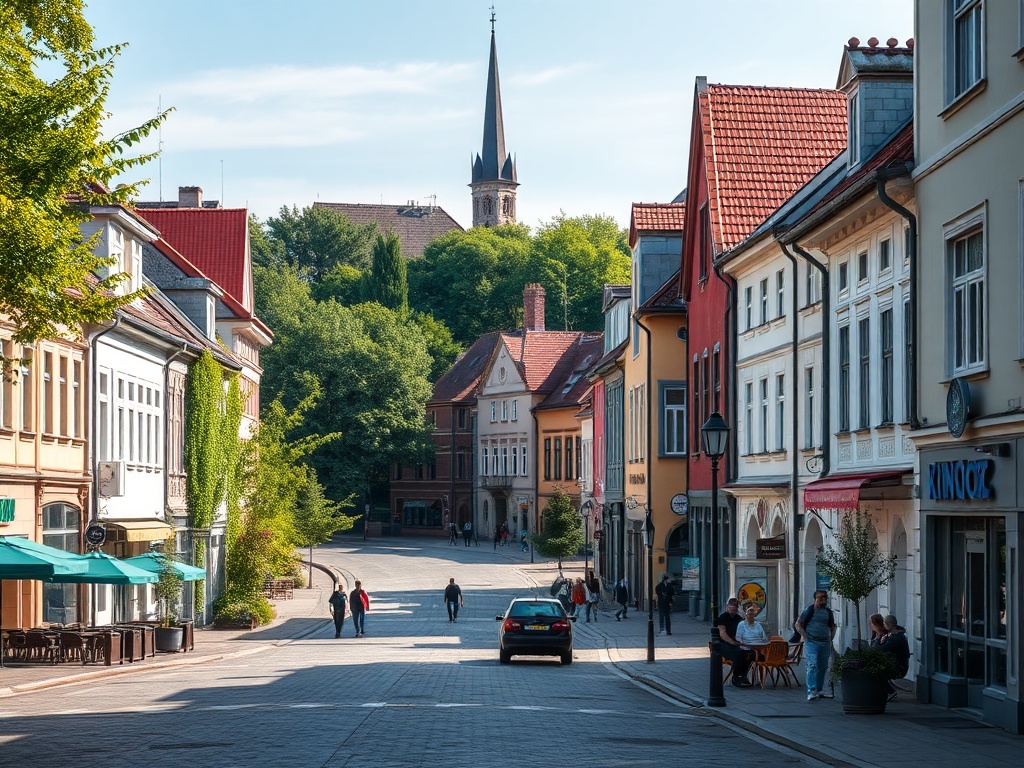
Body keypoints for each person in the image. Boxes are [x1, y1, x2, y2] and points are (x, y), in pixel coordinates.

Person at [795, 589, 837, 701]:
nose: (822, 600)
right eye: (819, 598)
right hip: (811, 642)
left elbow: (832, 625)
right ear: (815, 599)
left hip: (825, 642)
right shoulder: (809, 610)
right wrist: (804, 636)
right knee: (812, 665)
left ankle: (819, 690)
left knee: (822, 667)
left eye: (824, 598)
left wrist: (831, 637)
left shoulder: (828, 612)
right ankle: (811, 690)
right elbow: (798, 624)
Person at [717, 597, 755, 688]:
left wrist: (743, 614)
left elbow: (748, 627)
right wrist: (732, 642)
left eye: (736, 606)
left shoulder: (738, 618)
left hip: (737, 644)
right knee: (739, 653)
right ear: (727, 606)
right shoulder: (723, 617)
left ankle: (743, 675)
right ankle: (736, 677)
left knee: (751, 653)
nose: (733, 608)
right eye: (732, 606)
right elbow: (722, 633)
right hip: (724, 644)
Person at [734, 602, 769, 683]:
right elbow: (738, 637)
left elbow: (764, 637)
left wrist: (764, 642)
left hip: (759, 649)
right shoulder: (741, 624)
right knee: (746, 655)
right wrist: (742, 642)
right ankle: (741, 676)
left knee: (752, 655)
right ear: (745, 614)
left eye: (752, 614)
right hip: (746, 647)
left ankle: (745, 676)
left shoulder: (758, 625)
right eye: (748, 614)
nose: (750, 616)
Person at [878, 614, 911, 701]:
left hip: (899, 667)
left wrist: (879, 641)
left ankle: (890, 692)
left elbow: (882, 650)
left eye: (885, 624)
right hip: (899, 664)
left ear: (890, 625)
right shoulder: (896, 635)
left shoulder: (896, 638)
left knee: (876, 672)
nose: (883, 625)